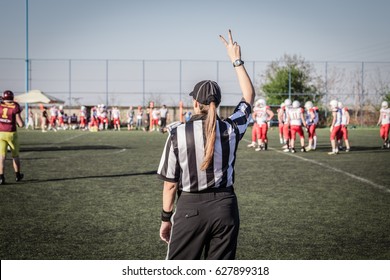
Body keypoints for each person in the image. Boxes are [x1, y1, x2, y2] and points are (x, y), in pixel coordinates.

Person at [157, 30, 255, 260]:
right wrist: (236, 60)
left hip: (191, 209)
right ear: (217, 103)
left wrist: (165, 218)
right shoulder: (231, 128)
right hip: (225, 208)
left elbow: (170, 185)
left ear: (195, 102)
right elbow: (249, 97)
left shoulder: (177, 133)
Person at [0, 90, 24, 184]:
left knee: (1, 157)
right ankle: (17, 175)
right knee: (15, 156)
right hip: (11, 133)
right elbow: (21, 124)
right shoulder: (15, 106)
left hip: (0, 133)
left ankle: (1, 178)